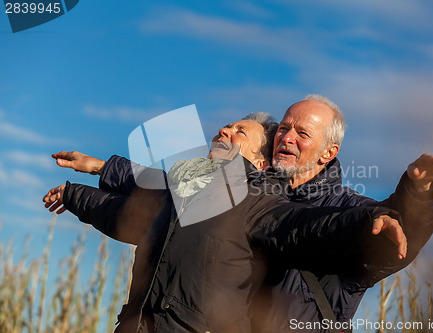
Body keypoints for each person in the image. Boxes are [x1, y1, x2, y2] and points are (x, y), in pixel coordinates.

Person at [43, 113, 407, 333]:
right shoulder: (186, 189)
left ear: (259, 162)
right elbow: (129, 209)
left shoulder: (257, 202)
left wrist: (370, 219)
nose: (225, 129)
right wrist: (75, 193)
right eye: (228, 125)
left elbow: (309, 225)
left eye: (240, 131)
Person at [251, 94, 433, 333]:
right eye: (283, 128)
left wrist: (419, 191)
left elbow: (398, 237)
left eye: (302, 133)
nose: (287, 137)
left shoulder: (351, 208)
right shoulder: (249, 196)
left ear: (328, 152)